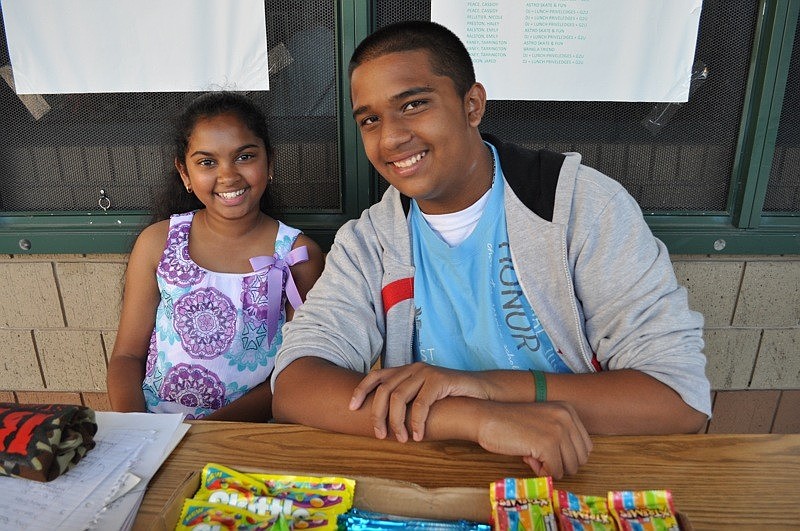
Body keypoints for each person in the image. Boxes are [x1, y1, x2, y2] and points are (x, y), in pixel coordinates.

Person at [271, 21, 711, 478]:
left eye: (414, 104)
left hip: (581, 471)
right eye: (370, 120)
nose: (390, 138)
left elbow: (678, 400)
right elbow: (296, 385)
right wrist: (474, 417)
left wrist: (486, 389)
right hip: (434, 476)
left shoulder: (579, 208)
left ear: (472, 105)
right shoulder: (372, 240)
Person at [108, 92, 324, 421]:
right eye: (207, 162)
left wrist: (206, 434)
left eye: (245, 157)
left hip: (248, 434)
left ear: (270, 162)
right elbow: (126, 356)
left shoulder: (297, 255)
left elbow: (296, 371)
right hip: (156, 429)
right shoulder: (158, 243)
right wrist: (138, 431)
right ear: (184, 173)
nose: (228, 175)